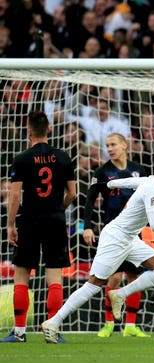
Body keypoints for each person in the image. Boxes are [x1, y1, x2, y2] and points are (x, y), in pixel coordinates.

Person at [40, 153, 154, 344]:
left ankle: (120, 294)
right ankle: (52, 322)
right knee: (93, 284)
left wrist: (110, 184)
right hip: (115, 238)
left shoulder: (151, 181)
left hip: (130, 238)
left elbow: (128, 182)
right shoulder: (153, 189)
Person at [1, 111, 77, 343]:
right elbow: (72, 193)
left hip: (30, 219)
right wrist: (58, 209)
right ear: (49, 130)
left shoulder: (22, 158)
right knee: (54, 276)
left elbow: (14, 196)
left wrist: (10, 224)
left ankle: (20, 331)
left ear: (29, 130)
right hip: (55, 220)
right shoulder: (63, 157)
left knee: (22, 275)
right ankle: (52, 331)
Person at [83, 133, 151, 338]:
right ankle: (109, 323)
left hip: (135, 232)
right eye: (107, 145)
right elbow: (90, 199)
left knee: (134, 277)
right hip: (112, 232)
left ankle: (130, 325)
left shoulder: (139, 170)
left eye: (113, 144)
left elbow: (153, 196)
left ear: (124, 145)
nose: (110, 148)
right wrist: (87, 226)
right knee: (113, 278)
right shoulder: (103, 172)